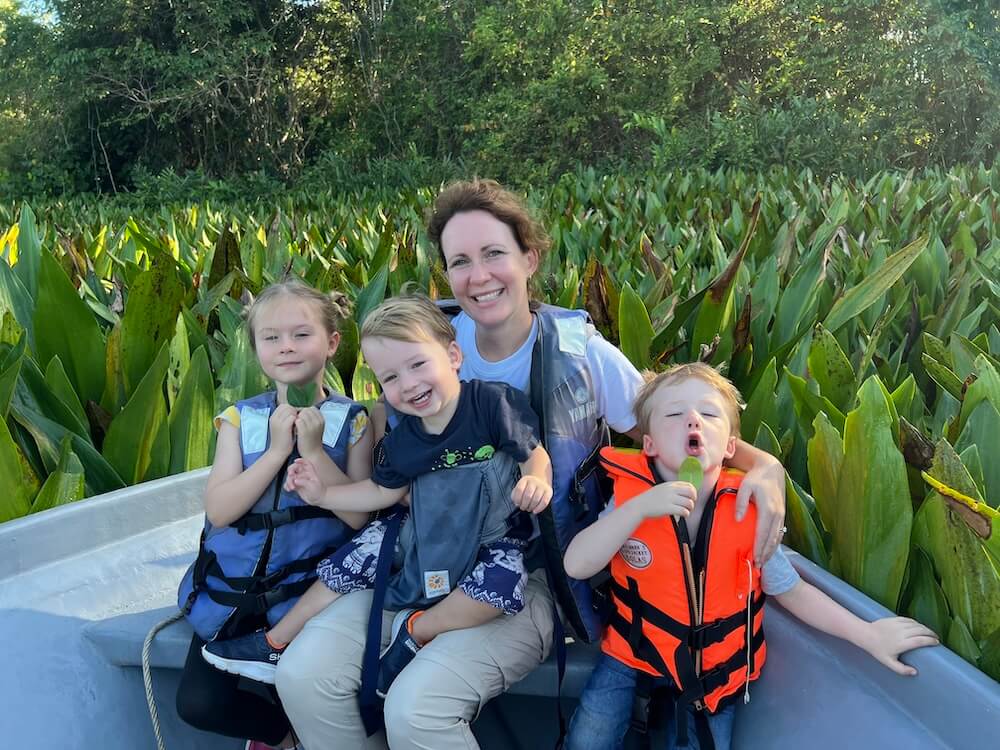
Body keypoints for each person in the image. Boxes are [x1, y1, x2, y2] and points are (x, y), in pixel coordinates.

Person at [275, 179, 788, 750]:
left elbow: (673, 424)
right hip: (422, 556)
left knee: (417, 711)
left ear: (530, 258)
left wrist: (763, 464)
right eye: (460, 261)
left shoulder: (581, 352)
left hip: (532, 573)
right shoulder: (426, 343)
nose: (479, 275)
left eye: (494, 253)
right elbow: (385, 444)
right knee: (302, 676)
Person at [562, 364, 940, 750]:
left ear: (730, 447)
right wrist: (639, 510)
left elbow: (791, 591)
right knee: (588, 736)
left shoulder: (748, 511)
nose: (692, 419)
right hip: (634, 650)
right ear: (649, 444)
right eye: (674, 414)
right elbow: (576, 564)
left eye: (709, 414)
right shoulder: (630, 499)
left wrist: (868, 634)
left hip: (713, 673)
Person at [204, 294, 552, 696]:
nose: (409, 384)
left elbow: (532, 453)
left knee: (501, 588)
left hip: (493, 538)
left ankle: (417, 630)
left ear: (454, 356)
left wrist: (535, 479)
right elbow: (379, 493)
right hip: (430, 533)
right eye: (391, 378)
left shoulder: (491, 403)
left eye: (418, 365)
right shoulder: (404, 441)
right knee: (358, 552)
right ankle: (275, 642)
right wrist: (323, 495)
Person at [175, 278, 372, 750]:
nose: (286, 347)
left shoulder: (354, 421)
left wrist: (314, 452)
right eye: (272, 337)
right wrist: (276, 451)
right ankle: (283, 738)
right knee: (198, 704)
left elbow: (360, 521)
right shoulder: (238, 420)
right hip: (232, 594)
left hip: (308, 599)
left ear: (332, 343)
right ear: (256, 348)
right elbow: (220, 510)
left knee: (314, 686)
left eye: (302, 335)